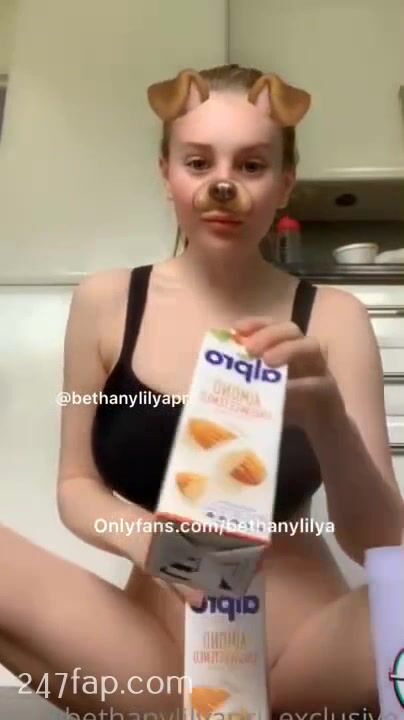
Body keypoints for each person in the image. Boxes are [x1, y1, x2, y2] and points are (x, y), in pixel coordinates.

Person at [0, 63, 403, 719]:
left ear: (285, 183)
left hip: (307, 668)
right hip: (152, 665)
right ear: (167, 173)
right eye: (198, 162)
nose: (224, 184)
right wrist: (150, 543)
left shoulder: (334, 318)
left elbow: (385, 549)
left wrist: (328, 418)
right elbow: (75, 485)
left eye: (252, 165)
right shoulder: (105, 303)